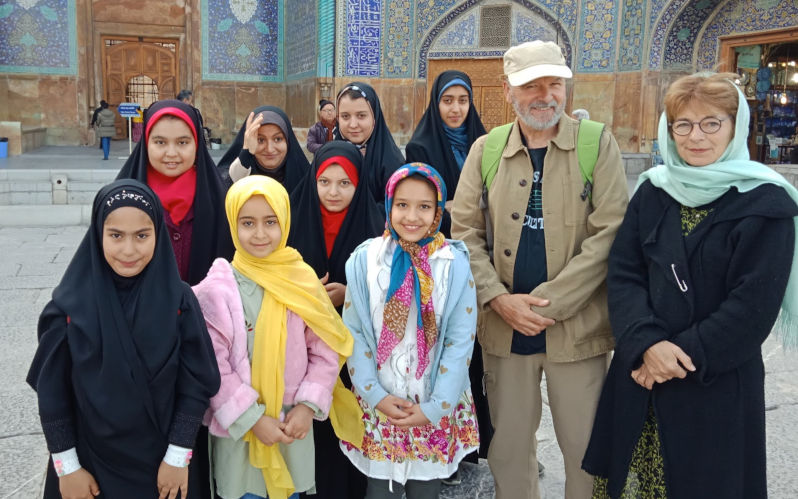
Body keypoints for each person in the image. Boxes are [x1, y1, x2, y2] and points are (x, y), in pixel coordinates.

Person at [582, 72, 798, 499]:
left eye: (711, 122)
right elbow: (625, 271)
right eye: (683, 124)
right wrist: (647, 342)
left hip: (713, 384)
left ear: (736, 126)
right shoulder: (654, 191)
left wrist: (674, 358)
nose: (696, 136)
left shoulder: (764, 202)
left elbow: (752, 307)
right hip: (641, 377)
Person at [450, 40, 629, 499]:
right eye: (531, 86)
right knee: (509, 450)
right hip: (506, 329)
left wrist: (550, 305)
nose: (545, 95)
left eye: (554, 84)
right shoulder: (487, 150)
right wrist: (498, 299)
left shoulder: (596, 144)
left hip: (576, 328)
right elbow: (464, 232)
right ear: (509, 91)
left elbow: (610, 233)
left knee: (586, 449)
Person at [27, 179, 221, 499]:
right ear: (97, 235)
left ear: (158, 235)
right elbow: (52, 393)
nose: (129, 250)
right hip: (88, 467)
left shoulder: (179, 302)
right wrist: (67, 466)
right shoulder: (68, 309)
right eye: (116, 235)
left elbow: (196, 383)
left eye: (142, 236)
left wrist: (178, 456)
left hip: (164, 466)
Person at [192, 175, 365, 499]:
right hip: (241, 431)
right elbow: (213, 364)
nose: (260, 233)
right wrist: (251, 419)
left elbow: (325, 350)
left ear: (284, 221)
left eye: (270, 222)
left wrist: (307, 406)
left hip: (290, 423)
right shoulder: (217, 290)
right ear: (233, 224)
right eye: (248, 223)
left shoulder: (301, 281)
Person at [340, 164, 480, 498]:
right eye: (402, 205)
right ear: (389, 204)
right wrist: (375, 395)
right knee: (379, 488)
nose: (412, 217)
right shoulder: (366, 260)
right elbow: (354, 331)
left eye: (424, 206)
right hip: (381, 402)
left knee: (425, 486)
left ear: (438, 211)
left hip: (431, 401)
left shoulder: (452, 264)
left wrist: (437, 406)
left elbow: (460, 340)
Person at [287, 140, 384, 499]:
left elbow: (389, 288)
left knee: (348, 429)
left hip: (355, 353)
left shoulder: (375, 227)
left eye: (345, 183)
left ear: (359, 185)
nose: (333, 192)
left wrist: (350, 294)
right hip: (301, 350)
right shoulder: (293, 219)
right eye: (324, 182)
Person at [117, 99, 234, 286]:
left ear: (197, 144)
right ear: (146, 143)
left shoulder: (217, 197)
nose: (171, 153)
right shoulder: (123, 198)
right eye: (160, 142)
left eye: (182, 142)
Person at [405, 70, 487, 238]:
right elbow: (421, 203)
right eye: (447, 101)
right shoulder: (420, 149)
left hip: (482, 234)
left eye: (463, 101)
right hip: (440, 237)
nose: (456, 109)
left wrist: (455, 205)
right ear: (436, 103)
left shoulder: (484, 143)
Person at [335, 82, 405, 204]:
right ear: (337, 118)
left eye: (361, 116)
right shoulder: (328, 157)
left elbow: (395, 205)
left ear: (374, 117)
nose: (353, 124)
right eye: (345, 116)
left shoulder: (392, 162)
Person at [219, 105, 310, 192]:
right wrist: (246, 154)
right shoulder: (227, 177)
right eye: (260, 140)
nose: (270, 149)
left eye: (278, 139)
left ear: (288, 141)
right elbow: (227, 190)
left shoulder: (305, 180)